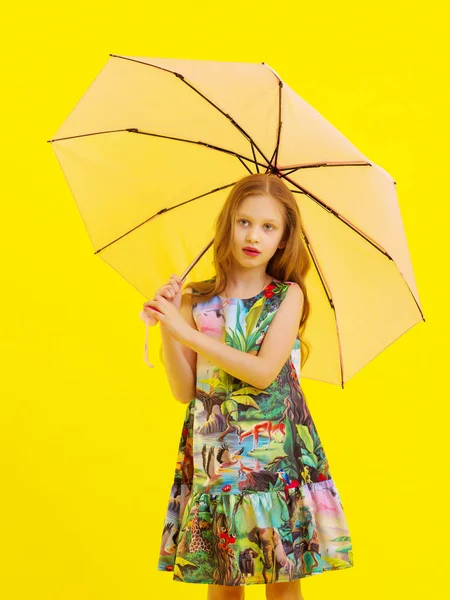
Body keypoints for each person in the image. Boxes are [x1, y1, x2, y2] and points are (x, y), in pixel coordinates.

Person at [142, 173, 354, 600]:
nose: (253, 236)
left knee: (281, 579)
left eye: (268, 227)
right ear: (228, 225)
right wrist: (169, 320)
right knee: (223, 582)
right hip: (215, 454)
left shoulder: (287, 296)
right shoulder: (195, 300)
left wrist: (187, 334)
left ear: (283, 238)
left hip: (274, 456)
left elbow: (262, 372)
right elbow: (184, 391)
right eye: (244, 222)